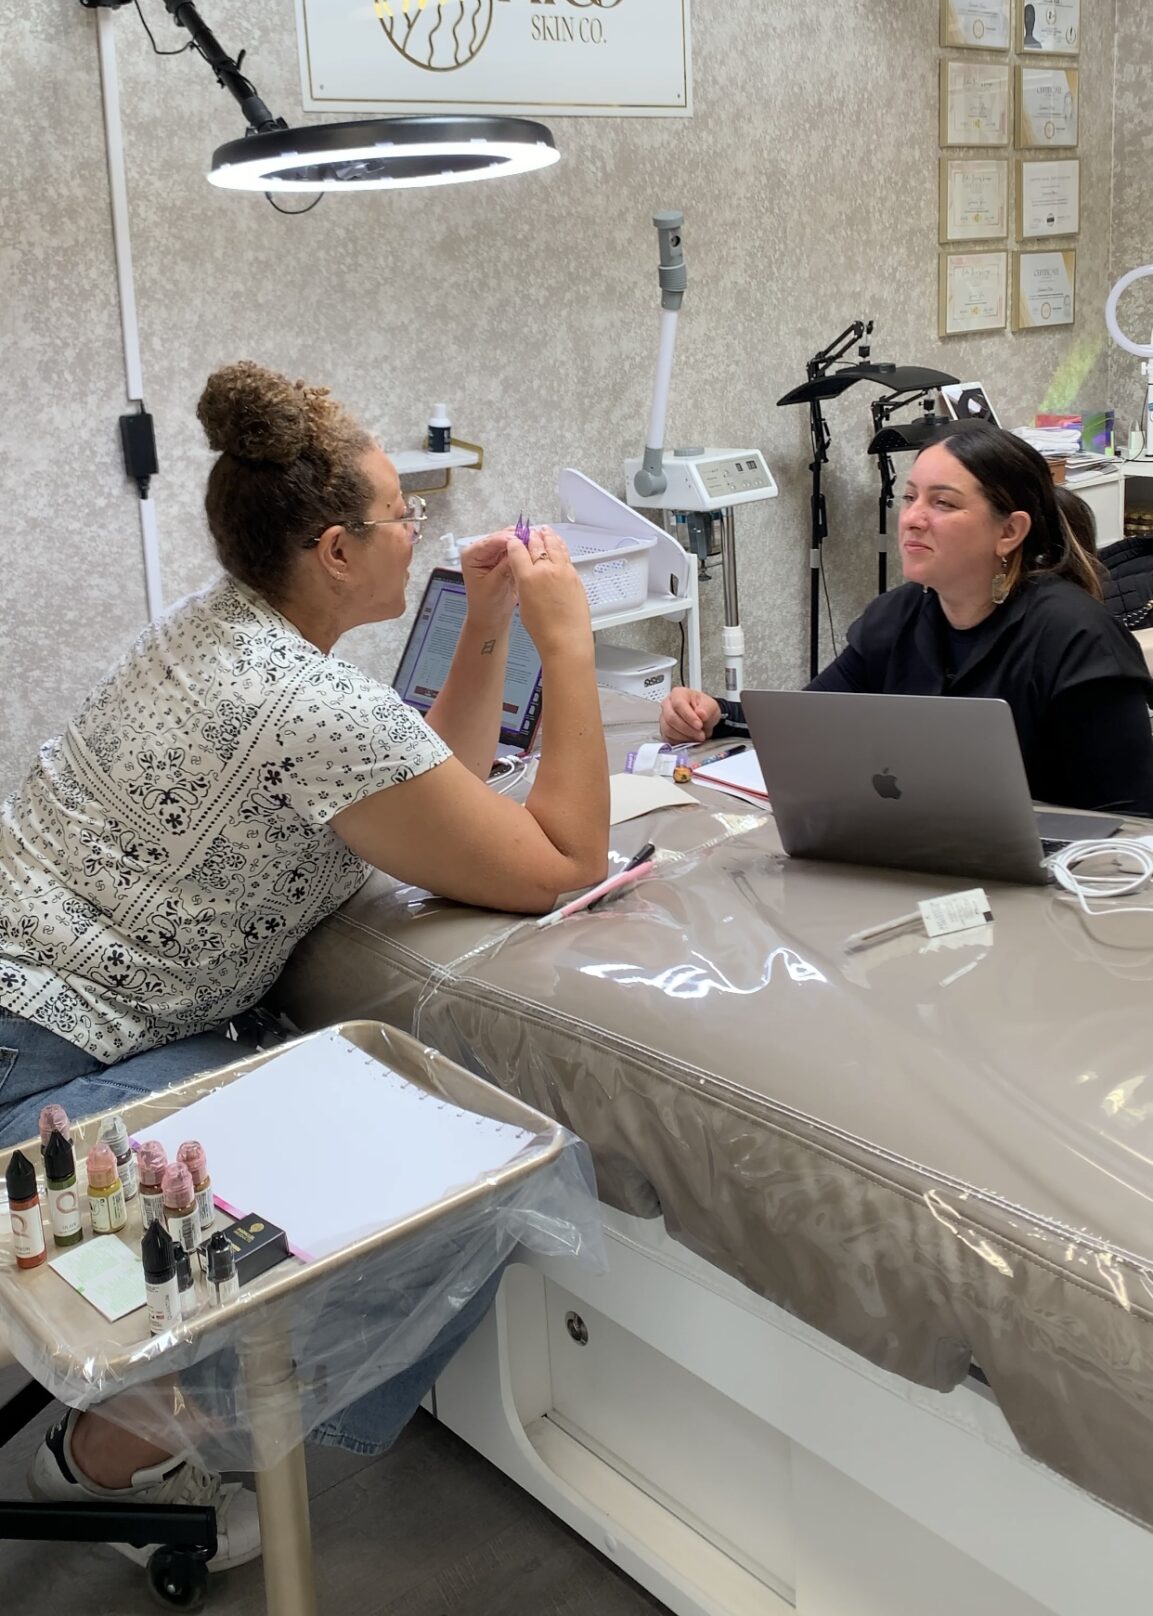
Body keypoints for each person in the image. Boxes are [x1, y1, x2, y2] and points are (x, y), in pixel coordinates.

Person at [0, 361, 608, 1570]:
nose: (415, 533)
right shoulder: (302, 699)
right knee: (455, 1169)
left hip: (46, 1020)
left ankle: (147, 1401)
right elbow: (563, 858)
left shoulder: (215, 629)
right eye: (401, 519)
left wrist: (484, 629)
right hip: (50, 1088)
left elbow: (426, 781)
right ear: (337, 550)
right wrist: (569, 644)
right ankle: (117, 1442)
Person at [661, 424, 1153, 816]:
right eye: (911, 497)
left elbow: (1128, 825)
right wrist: (712, 713)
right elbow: (808, 719)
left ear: (1010, 530)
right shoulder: (899, 614)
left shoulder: (1077, 639)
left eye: (943, 503)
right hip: (926, 861)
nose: (913, 518)